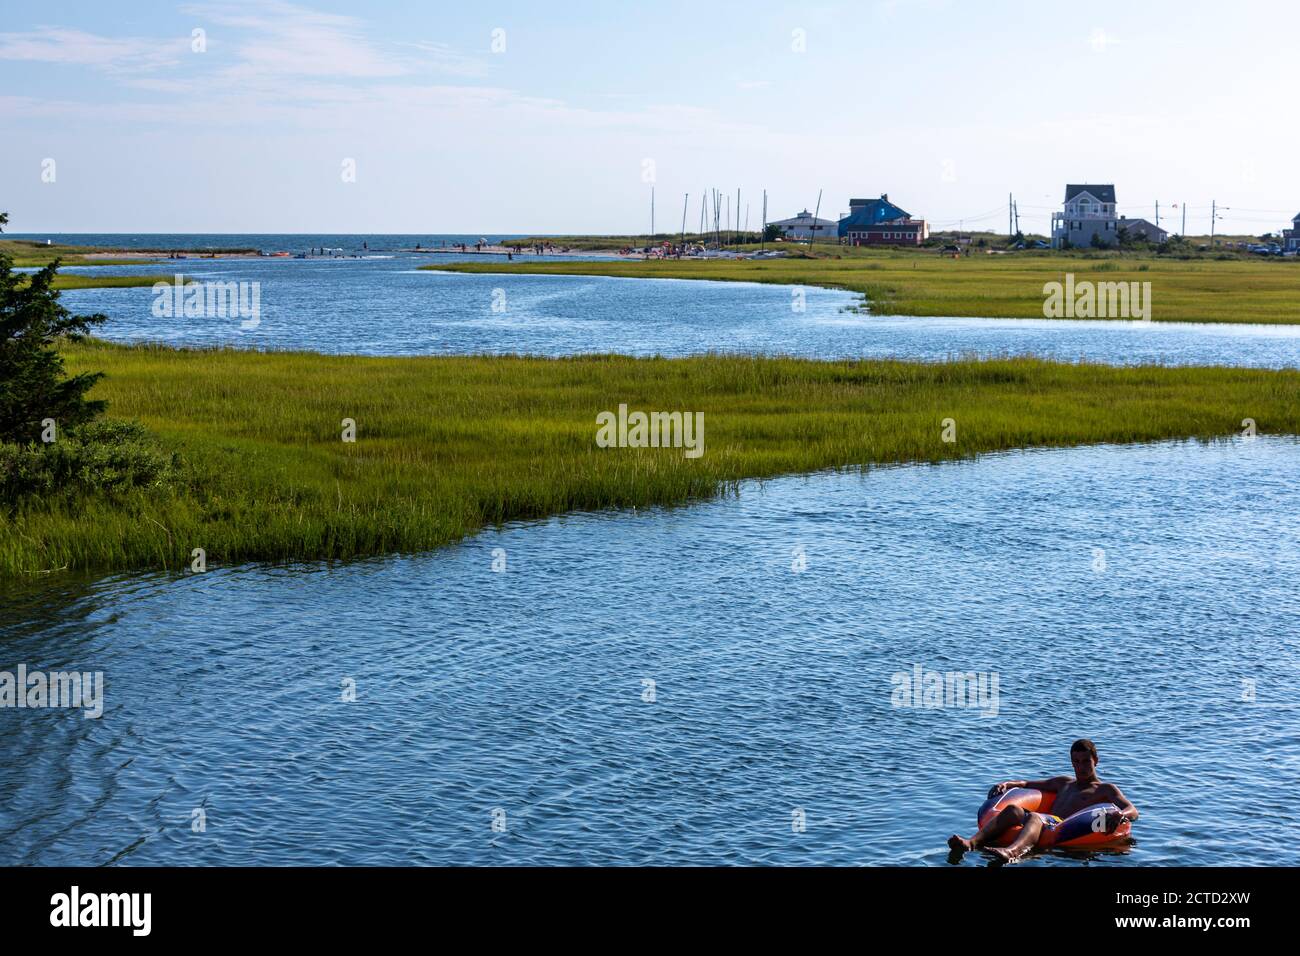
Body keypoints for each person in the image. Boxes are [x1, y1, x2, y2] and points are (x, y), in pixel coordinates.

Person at [948, 739, 1138, 863]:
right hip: (1045, 820)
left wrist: (1121, 814)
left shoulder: (1105, 789)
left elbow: (1132, 810)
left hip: (1063, 827)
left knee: (1036, 818)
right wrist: (1007, 784)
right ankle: (971, 843)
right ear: (1072, 762)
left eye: (1086, 761)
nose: (1081, 767)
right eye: (1076, 762)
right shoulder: (1063, 783)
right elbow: (1027, 783)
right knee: (1013, 809)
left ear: (1096, 761)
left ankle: (1012, 852)